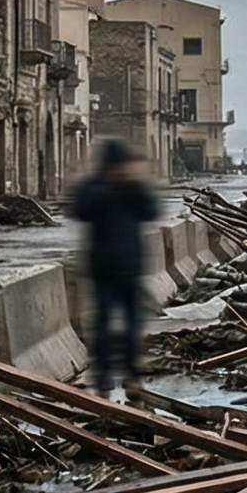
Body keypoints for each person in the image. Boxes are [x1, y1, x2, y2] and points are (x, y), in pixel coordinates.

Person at [69, 139, 161, 397]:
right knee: (104, 326)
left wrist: (134, 184)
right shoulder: (96, 188)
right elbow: (79, 211)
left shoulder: (132, 188)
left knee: (132, 327)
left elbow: (152, 211)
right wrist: (110, 188)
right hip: (104, 270)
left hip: (129, 269)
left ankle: (130, 374)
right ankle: (103, 378)